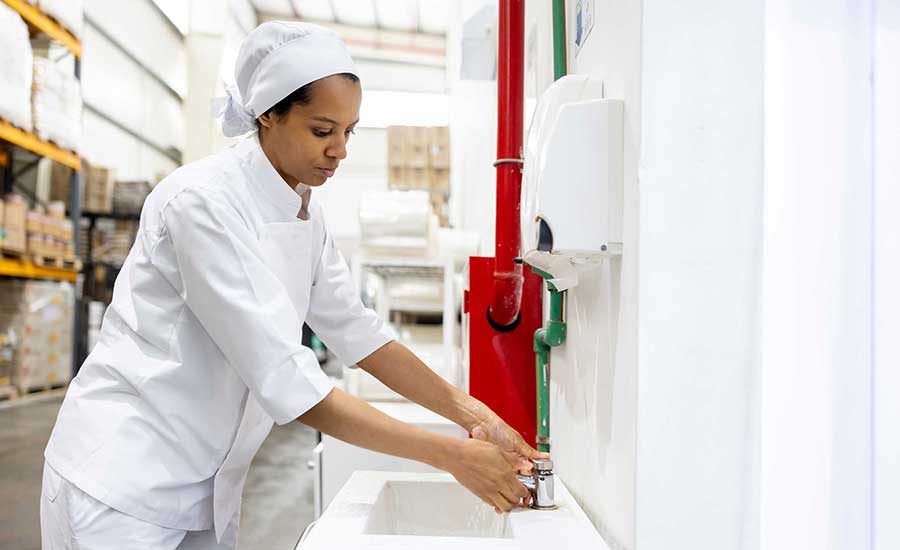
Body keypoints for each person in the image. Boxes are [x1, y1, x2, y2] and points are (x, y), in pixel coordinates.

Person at [40, 21, 546, 550]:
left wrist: (474, 412)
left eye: (349, 132)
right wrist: (450, 455)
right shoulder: (200, 202)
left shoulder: (304, 211)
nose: (340, 151)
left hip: (202, 489)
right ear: (267, 114)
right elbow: (287, 380)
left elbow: (358, 333)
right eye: (322, 131)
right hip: (122, 482)